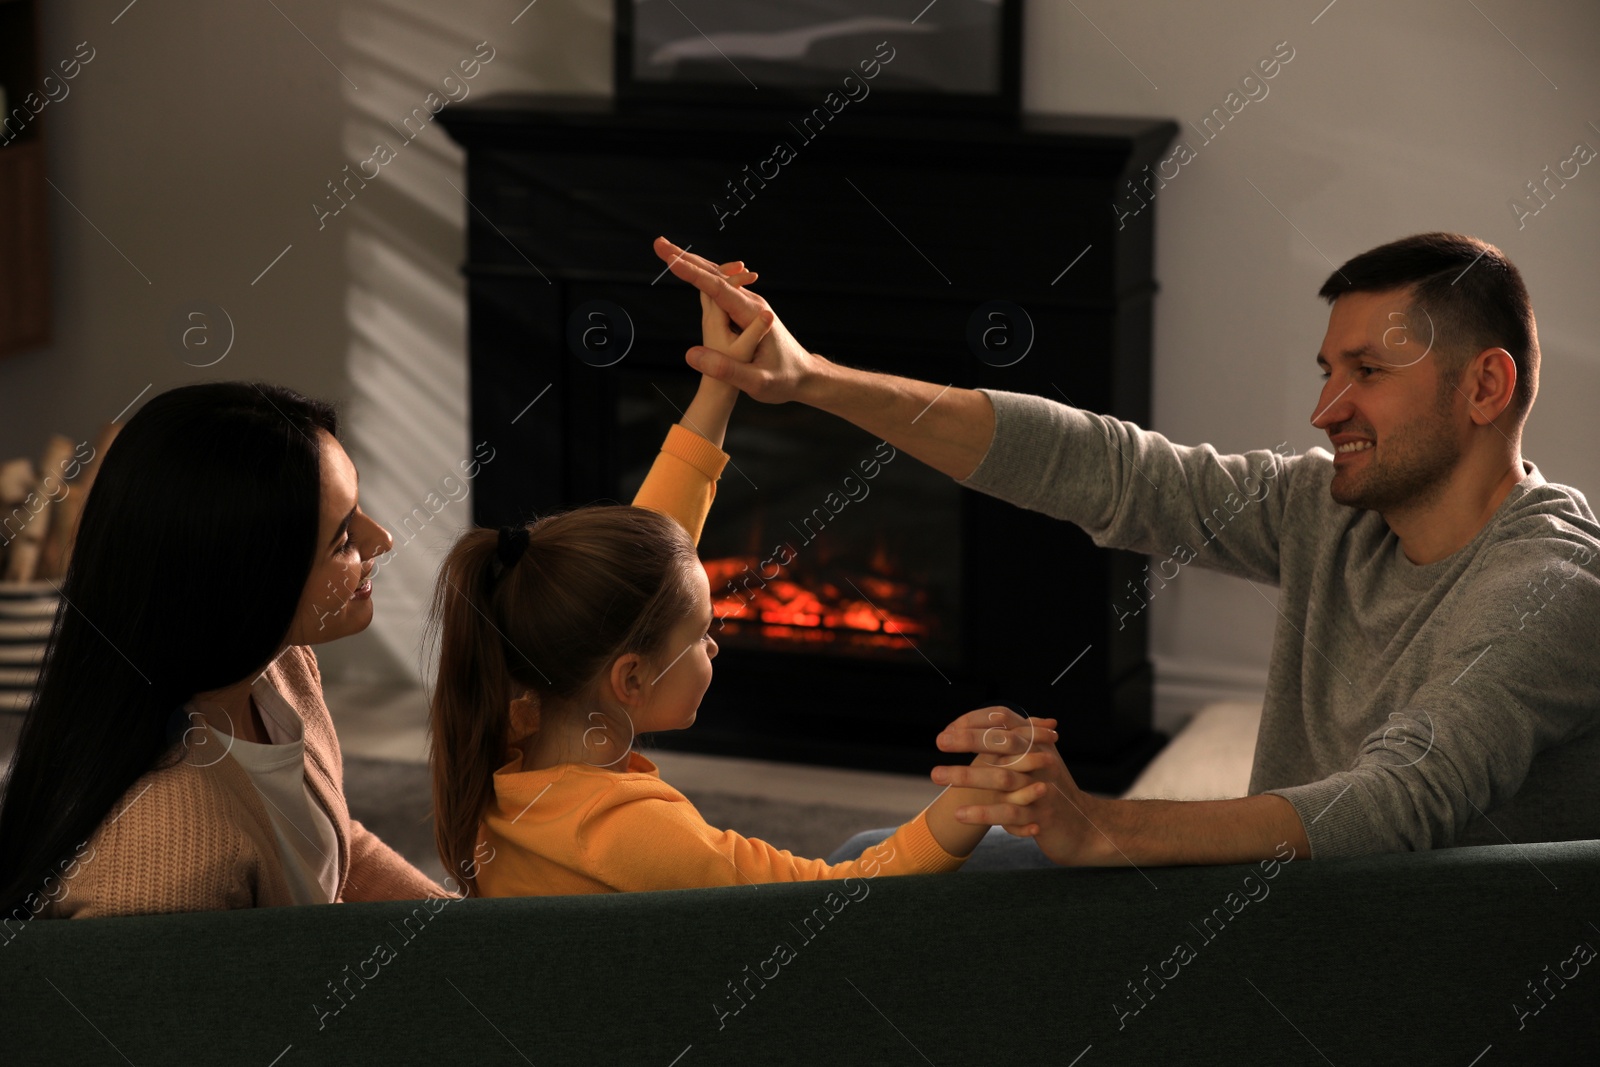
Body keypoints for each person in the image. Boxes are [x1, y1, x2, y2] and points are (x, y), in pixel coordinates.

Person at [652, 231, 1600, 866]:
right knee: (881, 860)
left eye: (1368, 373)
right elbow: (1113, 470)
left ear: (1485, 387)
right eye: (1327, 372)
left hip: (1394, 964)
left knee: (911, 908)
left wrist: (1100, 827)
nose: (1325, 411)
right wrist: (813, 379)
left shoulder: (1550, 587)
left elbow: (1403, 802)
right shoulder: (1337, 510)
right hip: (1276, 903)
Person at [426, 280, 1042, 895]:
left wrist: (719, 387)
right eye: (699, 636)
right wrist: (969, 799)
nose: (714, 646)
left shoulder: (510, 753)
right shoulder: (634, 835)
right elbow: (845, 896)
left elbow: (645, 568)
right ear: (631, 679)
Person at [0, 383, 446, 923]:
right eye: (343, 539)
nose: (382, 540)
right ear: (247, 585)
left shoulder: (277, 666)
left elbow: (328, 846)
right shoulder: (163, 851)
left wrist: (459, 930)